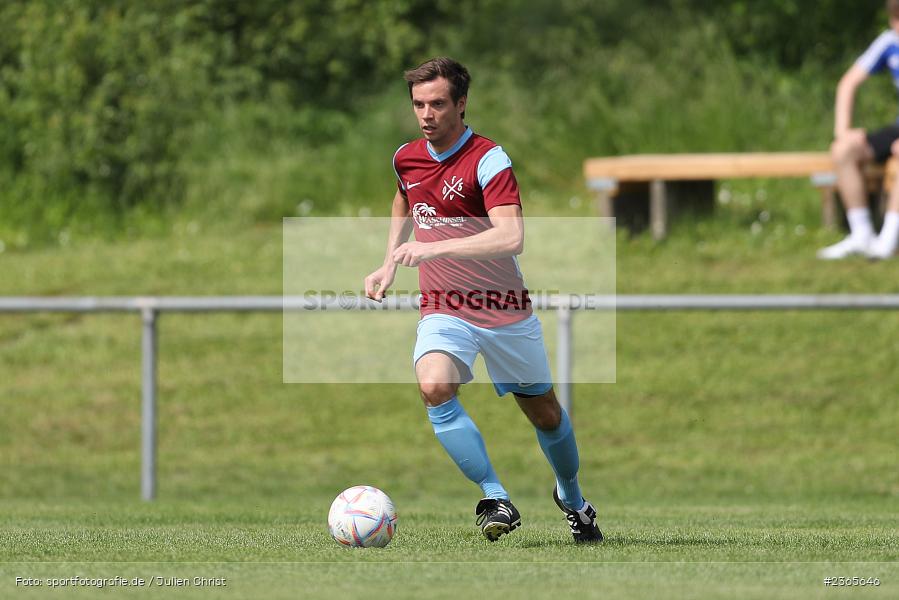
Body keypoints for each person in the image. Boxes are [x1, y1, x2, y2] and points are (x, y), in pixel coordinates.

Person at [363, 57, 603, 543]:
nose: (426, 114)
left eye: (437, 104)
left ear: (461, 104)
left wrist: (432, 246)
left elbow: (511, 237)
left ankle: (572, 498)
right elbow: (404, 198)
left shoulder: (489, 159)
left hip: (504, 311)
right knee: (433, 385)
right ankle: (496, 497)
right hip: (444, 306)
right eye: (418, 105)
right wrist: (388, 260)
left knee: (545, 413)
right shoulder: (405, 157)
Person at [819, 0, 899, 260]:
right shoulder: (888, 43)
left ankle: (888, 239)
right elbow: (847, 84)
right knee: (843, 150)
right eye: (894, 20)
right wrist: (842, 131)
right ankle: (862, 234)